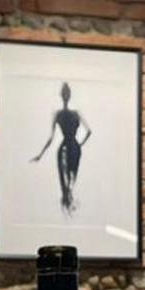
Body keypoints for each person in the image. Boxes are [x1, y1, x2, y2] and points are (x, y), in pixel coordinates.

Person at [31, 82, 92, 215]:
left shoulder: (59, 114)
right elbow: (89, 132)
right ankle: (69, 207)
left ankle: (68, 206)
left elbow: (51, 138)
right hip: (73, 147)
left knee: (67, 181)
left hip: (66, 148)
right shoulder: (75, 114)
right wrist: (79, 144)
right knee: (70, 180)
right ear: (68, 95)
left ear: (63, 95)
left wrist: (40, 155)